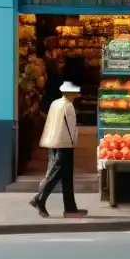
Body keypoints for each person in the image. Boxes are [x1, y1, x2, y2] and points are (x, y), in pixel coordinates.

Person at [30, 81, 89, 219]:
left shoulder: (55, 103)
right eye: (74, 92)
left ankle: (70, 208)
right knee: (57, 173)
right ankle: (39, 198)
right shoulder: (68, 106)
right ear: (70, 93)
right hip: (65, 143)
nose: (76, 94)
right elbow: (71, 127)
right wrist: (73, 142)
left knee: (66, 176)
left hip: (54, 142)